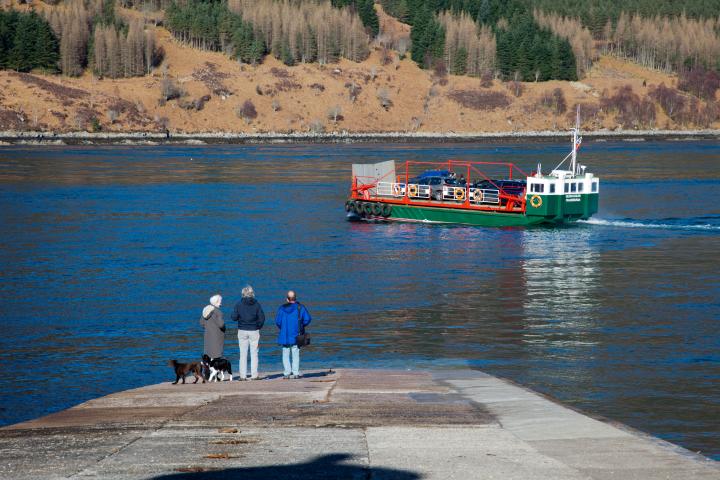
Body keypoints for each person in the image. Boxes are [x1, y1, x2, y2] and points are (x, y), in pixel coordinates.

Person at [275, 290, 311, 379]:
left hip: (285, 335)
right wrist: (301, 326)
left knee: (285, 354)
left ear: (287, 299)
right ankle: (295, 373)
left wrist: (283, 328)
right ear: (295, 298)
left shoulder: (281, 309)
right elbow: (307, 319)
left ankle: (287, 373)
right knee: (295, 354)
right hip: (296, 335)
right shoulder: (300, 308)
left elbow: (278, 322)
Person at [232, 285, 265, 380]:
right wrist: (258, 326)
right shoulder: (256, 304)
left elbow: (233, 317)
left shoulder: (239, 304)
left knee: (243, 354)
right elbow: (262, 318)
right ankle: (254, 375)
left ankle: (243, 376)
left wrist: (239, 316)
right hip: (254, 330)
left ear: (243, 294)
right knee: (254, 353)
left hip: (242, 330)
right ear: (252, 293)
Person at [200, 294, 225, 359]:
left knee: (208, 356)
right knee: (217, 356)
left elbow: (201, 323)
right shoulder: (218, 312)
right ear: (216, 302)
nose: (221, 303)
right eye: (220, 301)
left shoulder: (205, 310)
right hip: (217, 336)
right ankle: (216, 368)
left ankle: (208, 368)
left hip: (207, 335)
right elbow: (221, 325)